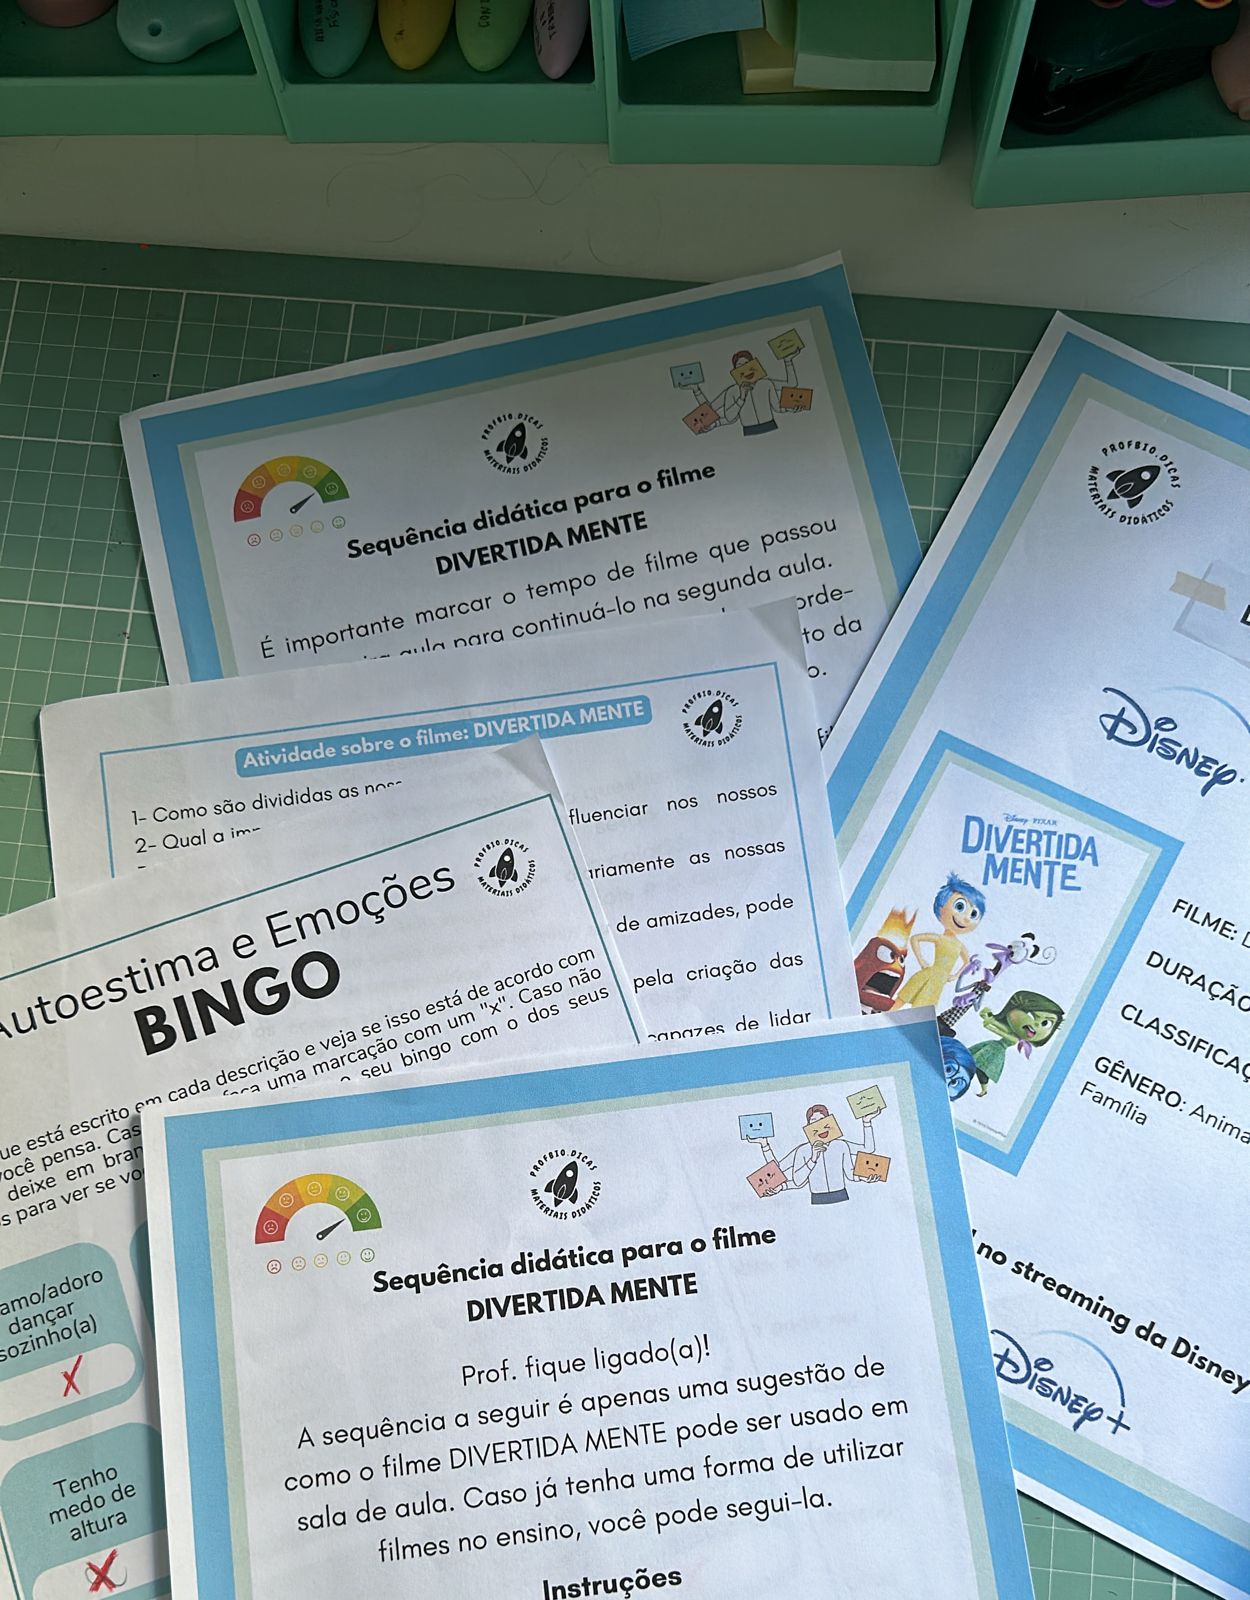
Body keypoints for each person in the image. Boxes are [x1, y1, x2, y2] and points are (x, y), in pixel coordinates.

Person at [891, 873, 986, 1012]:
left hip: (938, 983)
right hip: (927, 975)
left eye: (973, 914)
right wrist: (921, 960)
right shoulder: (940, 938)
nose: (966, 918)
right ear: (941, 908)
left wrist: (955, 975)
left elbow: (967, 962)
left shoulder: (960, 946)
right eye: (960, 907)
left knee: (922, 1011)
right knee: (902, 1000)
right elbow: (915, 938)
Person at [779, 1103, 881, 1205]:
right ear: (808, 1126)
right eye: (814, 1121)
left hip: (841, 1196)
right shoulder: (802, 1150)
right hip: (817, 1199)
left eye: (822, 1120)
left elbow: (867, 1150)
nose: (819, 1125)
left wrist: (866, 1122)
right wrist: (812, 1159)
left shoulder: (841, 1145)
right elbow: (797, 1181)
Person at [971, 990, 1065, 1096]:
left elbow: (1001, 1032)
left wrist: (990, 1026)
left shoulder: (1015, 1039)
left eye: (1045, 1023)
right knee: (972, 1059)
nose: (1037, 1025)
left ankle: (984, 1090)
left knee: (982, 1070)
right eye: (1031, 1015)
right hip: (991, 1046)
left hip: (996, 1053)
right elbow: (1003, 1028)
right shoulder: (1013, 1032)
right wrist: (991, 1019)